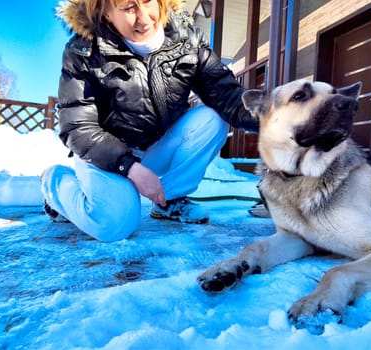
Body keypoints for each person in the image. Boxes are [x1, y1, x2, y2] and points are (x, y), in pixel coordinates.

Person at [41, 0, 259, 242]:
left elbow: (227, 96)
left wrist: (280, 120)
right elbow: (77, 127)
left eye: (148, 2)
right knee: (113, 224)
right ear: (105, 13)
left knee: (212, 118)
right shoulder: (84, 52)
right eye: (128, 8)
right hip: (105, 157)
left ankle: (169, 200)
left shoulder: (187, 41)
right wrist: (128, 165)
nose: (144, 18)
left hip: (155, 147)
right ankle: (55, 184)